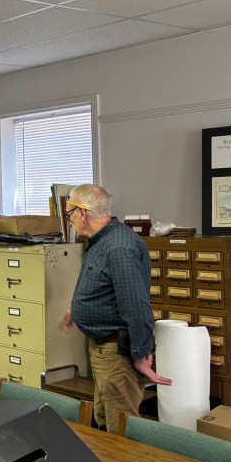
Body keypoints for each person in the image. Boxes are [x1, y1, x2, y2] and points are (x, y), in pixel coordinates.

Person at [58, 184, 172, 434]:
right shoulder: (100, 240)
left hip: (116, 354)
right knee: (104, 418)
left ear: (82, 212)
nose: (69, 220)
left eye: (69, 214)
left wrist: (142, 354)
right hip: (102, 348)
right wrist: (76, 309)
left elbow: (136, 306)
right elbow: (102, 284)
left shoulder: (119, 247)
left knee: (121, 430)